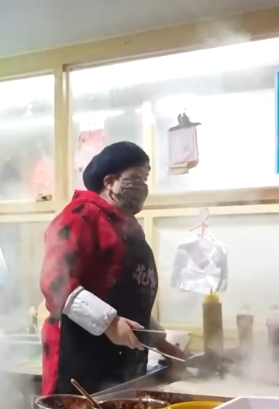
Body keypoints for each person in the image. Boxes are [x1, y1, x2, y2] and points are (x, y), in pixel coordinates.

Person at [39, 141, 186, 395]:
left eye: (145, 179)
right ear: (109, 181)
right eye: (136, 178)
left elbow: (129, 301)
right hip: (79, 363)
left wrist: (165, 347)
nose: (143, 186)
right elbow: (55, 283)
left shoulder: (130, 227)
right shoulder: (79, 216)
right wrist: (108, 323)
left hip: (124, 367)